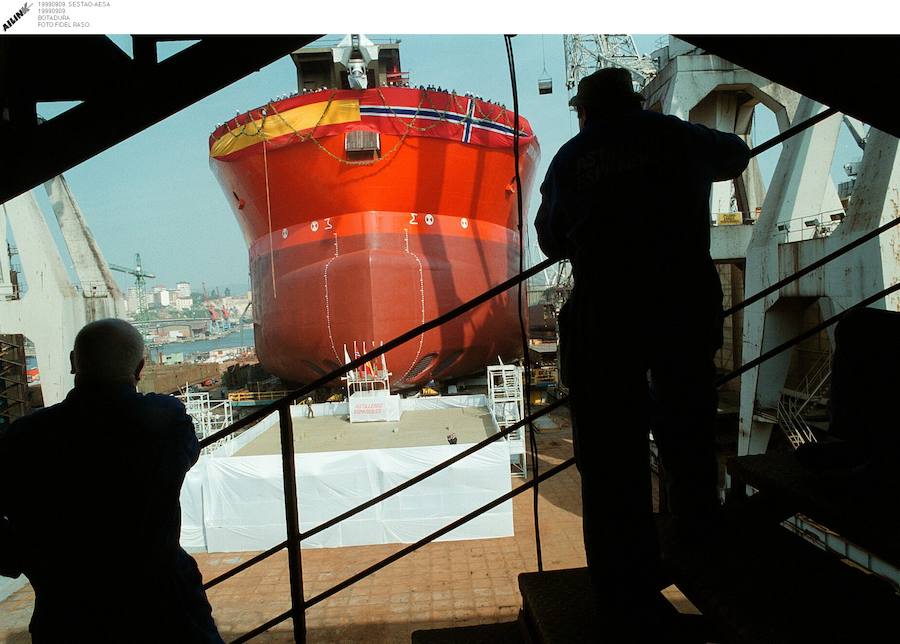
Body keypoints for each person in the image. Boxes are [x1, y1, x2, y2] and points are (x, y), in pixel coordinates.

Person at [535, 68, 750, 630]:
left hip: (606, 317)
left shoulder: (569, 159)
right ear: (635, 100)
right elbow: (737, 154)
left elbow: (550, 237)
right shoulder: (677, 135)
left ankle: (621, 587)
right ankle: (696, 539)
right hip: (680, 305)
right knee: (688, 431)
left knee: (610, 461)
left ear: (585, 111)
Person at [0, 319, 223, 643]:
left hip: (67, 616)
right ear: (141, 367)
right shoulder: (165, 421)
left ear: (74, 361)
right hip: (165, 611)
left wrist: (23, 555)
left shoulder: (24, 438)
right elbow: (187, 450)